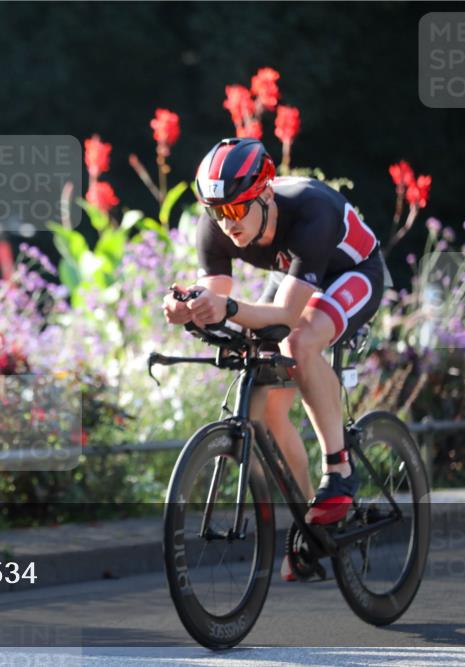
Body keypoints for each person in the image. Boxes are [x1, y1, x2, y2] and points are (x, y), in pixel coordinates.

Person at [162, 138, 387, 579]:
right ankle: (311, 527)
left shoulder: (311, 211)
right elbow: (219, 295)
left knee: (298, 342)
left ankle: (338, 469)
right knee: (264, 409)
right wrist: (187, 307)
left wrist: (224, 309)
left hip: (353, 273)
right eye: (217, 211)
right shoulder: (217, 222)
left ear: (265, 195)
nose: (227, 223)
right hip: (297, 278)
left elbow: (285, 315)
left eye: (236, 209)